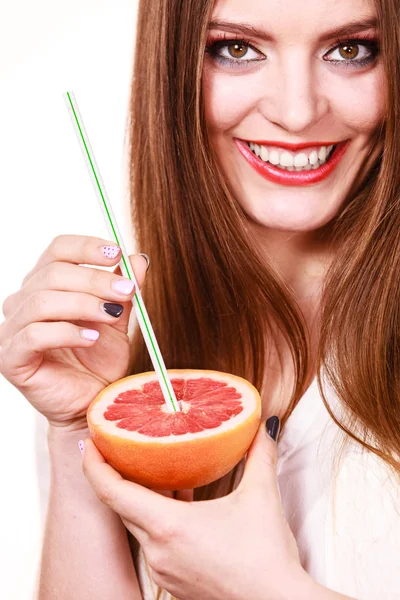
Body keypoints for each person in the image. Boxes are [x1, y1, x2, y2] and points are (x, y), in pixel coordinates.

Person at [1, 0, 399, 597]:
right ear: (173, 70)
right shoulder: (120, 350)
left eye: (351, 49)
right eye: (237, 49)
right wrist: (77, 431)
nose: (297, 112)